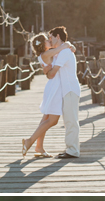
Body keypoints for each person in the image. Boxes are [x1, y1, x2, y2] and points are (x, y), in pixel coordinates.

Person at [21, 33, 74, 159]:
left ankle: (39, 146)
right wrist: (68, 45)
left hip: (53, 86)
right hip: (55, 88)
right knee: (52, 120)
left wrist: (70, 46)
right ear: (43, 44)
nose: (49, 40)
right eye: (46, 40)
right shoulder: (45, 54)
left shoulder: (45, 54)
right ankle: (29, 141)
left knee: (46, 118)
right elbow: (61, 48)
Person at [46, 26, 81, 160]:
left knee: (71, 120)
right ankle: (70, 148)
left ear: (58, 37)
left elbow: (53, 72)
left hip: (70, 89)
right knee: (68, 120)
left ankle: (73, 150)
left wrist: (47, 74)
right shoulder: (61, 51)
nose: (50, 39)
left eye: (51, 37)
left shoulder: (65, 52)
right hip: (67, 90)